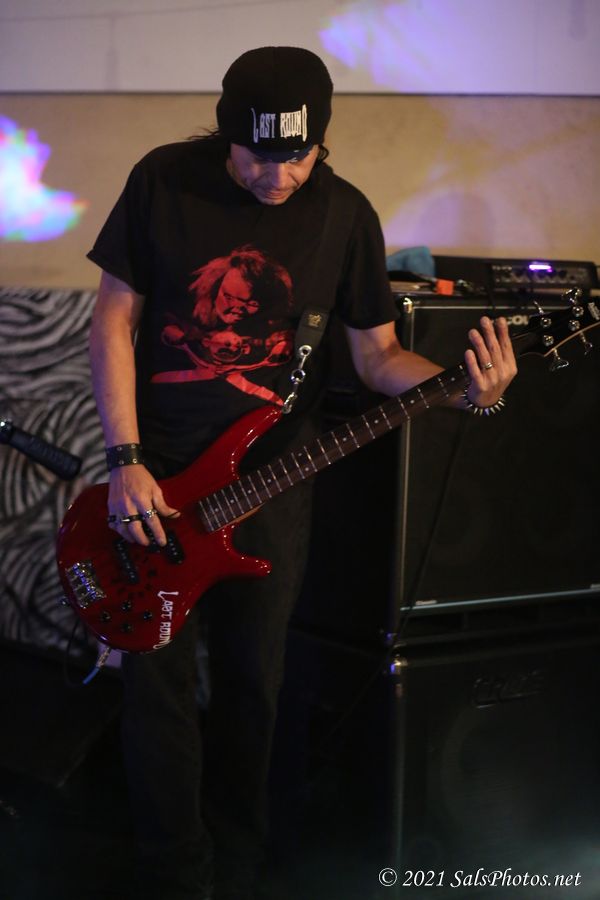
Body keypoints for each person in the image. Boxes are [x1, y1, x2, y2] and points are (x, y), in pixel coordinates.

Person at [87, 46, 517, 900]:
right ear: (227, 132)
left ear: (322, 141)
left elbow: (377, 356)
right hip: (160, 474)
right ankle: (174, 874)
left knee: (255, 682)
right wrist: (125, 459)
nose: (277, 175)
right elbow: (112, 322)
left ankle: (241, 863)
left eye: (298, 155)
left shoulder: (344, 215)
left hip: (276, 479)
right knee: (156, 687)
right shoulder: (163, 181)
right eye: (258, 154)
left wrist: (462, 390)